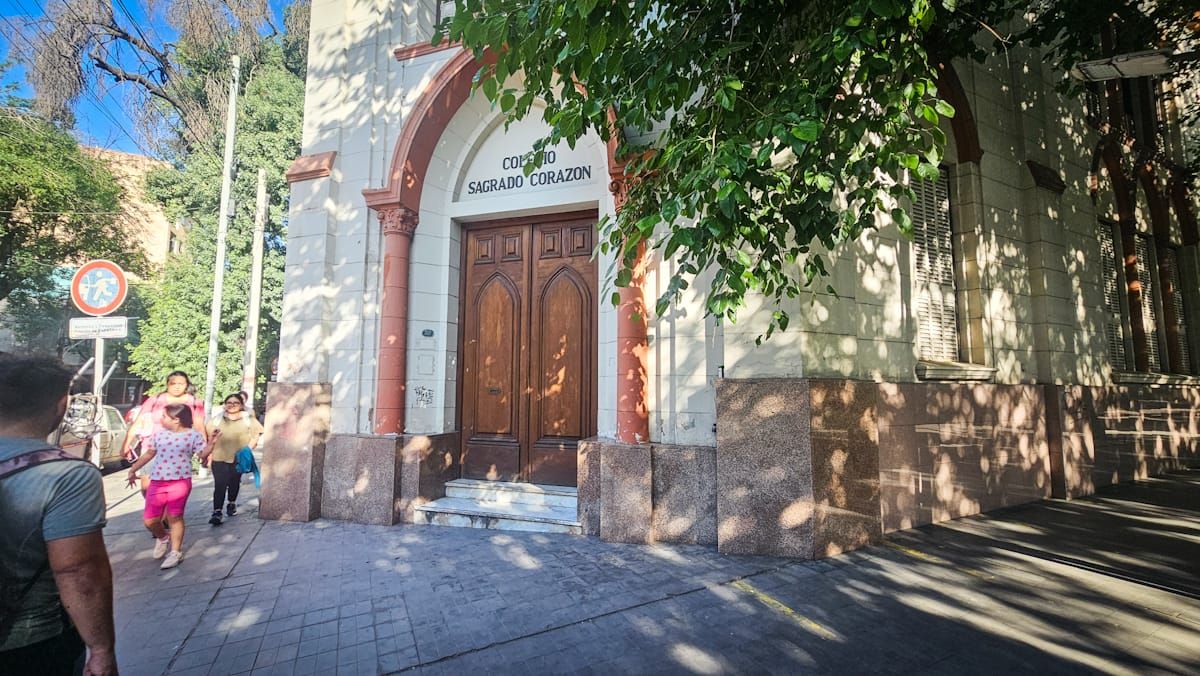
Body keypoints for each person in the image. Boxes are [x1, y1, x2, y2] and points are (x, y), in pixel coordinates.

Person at [0, 356, 117, 675]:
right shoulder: (66, 475)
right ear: (60, 405)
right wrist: (101, 649)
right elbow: (79, 571)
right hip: (29, 643)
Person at [124, 404, 219, 570]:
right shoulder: (159, 435)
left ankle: (175, 552)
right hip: (158, 481)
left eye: (164, 417)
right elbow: (149, 454)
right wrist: (133, 469)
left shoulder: (192, 436)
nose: (161, 420)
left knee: (175, 516)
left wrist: (211, 443)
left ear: (176, 420)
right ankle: (163, 537)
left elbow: (202, 454)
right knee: (150, 520)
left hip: (180, 482)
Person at [121, 371, 207, 496]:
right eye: (173, 383)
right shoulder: (155, 399)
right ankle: (156, 511)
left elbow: (199, 425)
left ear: (186, 385)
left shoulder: (194, 402)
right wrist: (126, 444)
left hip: (178, 448)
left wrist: (204, 450)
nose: (177, 386)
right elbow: (139, 422)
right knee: (147, 488)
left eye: (181, 383)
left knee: (173, 487)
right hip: (150, 446)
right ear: (167, 384)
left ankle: (168, 513)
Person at [206, 393, 263, 525]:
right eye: (229, 403)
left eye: (235, 403)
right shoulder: (216, 420)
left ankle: (231, 503)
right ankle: (217, 511)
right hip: (219, 457)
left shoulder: (248, 419)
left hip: (238, 458)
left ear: (241, 405)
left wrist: (248, 448)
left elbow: (256, 436)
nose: (232, 405)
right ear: (225, 405)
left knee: (234, 482)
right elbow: (208, 437)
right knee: (220, 485)